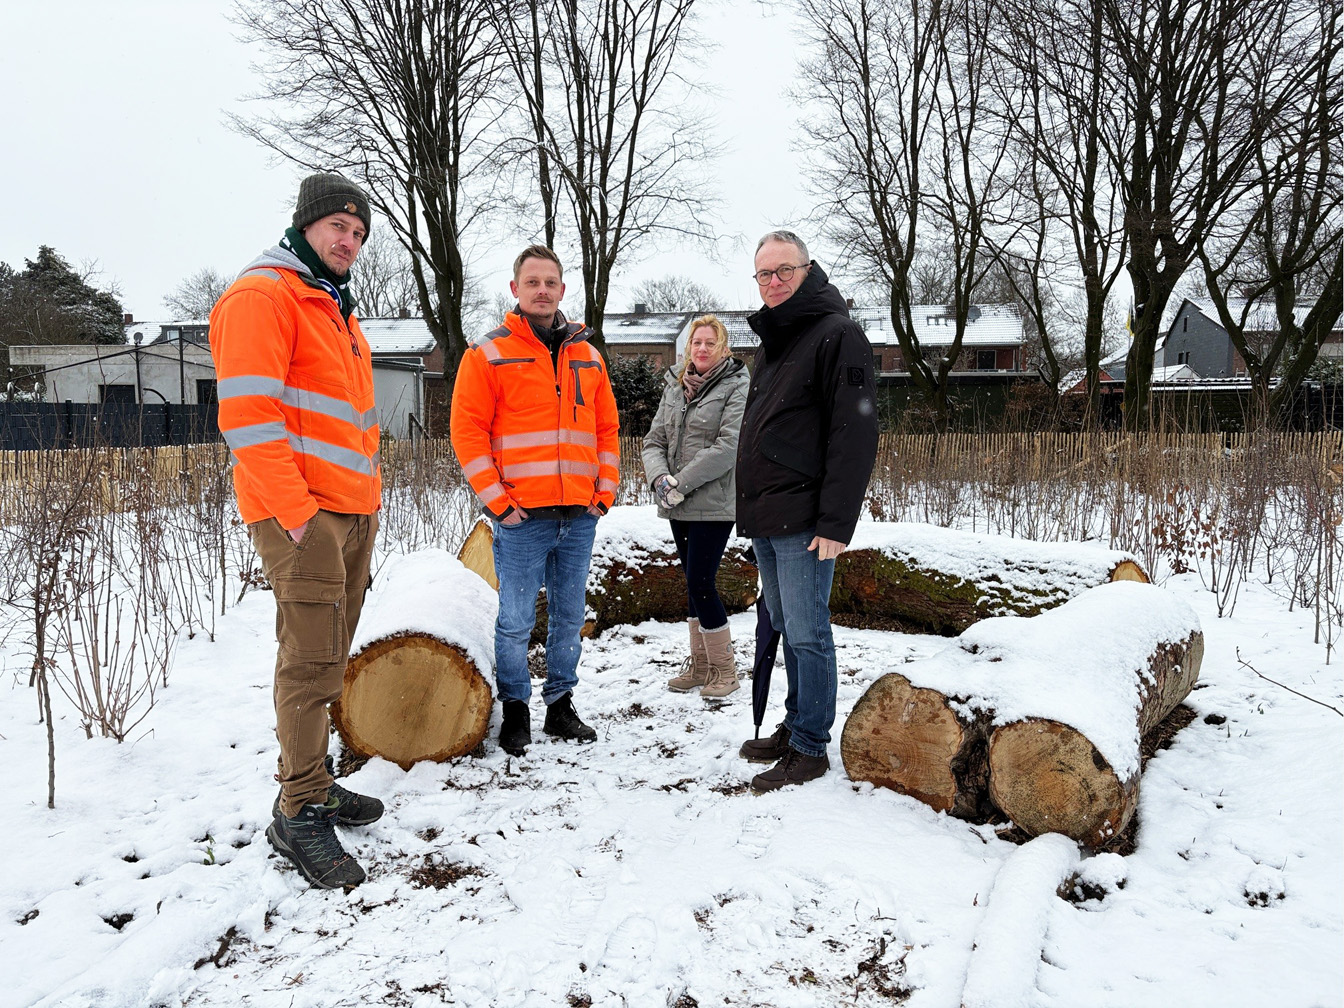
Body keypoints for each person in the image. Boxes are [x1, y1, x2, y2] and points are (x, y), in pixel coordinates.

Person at [210, 172, 384, 890]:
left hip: (349, 510)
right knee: (309, 662)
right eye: (338, 228)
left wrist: (364, 506)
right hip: (303, 514)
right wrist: (299, 515)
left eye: (359, 233)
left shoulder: (333, 309)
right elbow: (249, 419)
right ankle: (298, 809)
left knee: (329, 657)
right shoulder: (264, 295)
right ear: (306, 226)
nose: (348, 241)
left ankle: (310, 779)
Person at [450, 245, 620, 758]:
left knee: (569, 617)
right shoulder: (488, 353)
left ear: (563, 290)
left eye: (551, 282)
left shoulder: (587, 355)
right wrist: (497, 502)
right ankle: (517, 709)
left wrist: (605, 491)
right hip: (521, 518)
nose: (542, 290)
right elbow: (466, 432)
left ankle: (561, 704)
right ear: (515, 290)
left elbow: (608, 428)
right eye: (532, 282)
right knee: (516, 620)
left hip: (580, 516)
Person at [734, 230, 879, 793]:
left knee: (809, 632)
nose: (773, 282)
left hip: (805, 519)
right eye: (764, 274)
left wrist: (835, 522)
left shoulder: (837, 334)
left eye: (784, 271)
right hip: (770, 515)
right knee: (790, 629)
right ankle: (797, 724)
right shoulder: (778, 340)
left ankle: (810, 747)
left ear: (808, 268)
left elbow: (855, 431)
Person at [642, 314, 749, 699]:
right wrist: (659, 480)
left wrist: (679, 484)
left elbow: (728, 447)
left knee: (701, 581)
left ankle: (725, 669)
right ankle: (701, 666)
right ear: (689, 347)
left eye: (711, 343)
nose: (702, 349)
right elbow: (653, 440)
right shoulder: (674, 385)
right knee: (692, 583)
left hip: (714, 502)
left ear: (723, 348)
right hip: (676, 501)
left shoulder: (737, 385)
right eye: (697, 342)